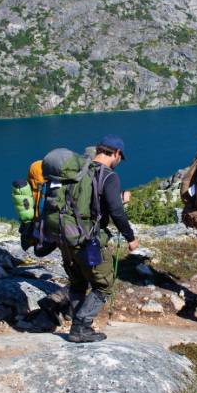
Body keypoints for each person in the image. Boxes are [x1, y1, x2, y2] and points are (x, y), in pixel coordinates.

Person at [62, 134, 139, 343]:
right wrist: (130, 238)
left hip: (66, 236)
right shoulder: (109, 176)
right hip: (88, 240)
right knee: (104, 284)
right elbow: (116, 211)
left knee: (78, 282)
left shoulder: (77, 170)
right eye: (120, 157)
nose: (119, 161)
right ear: (116, 153)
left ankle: (75, 319)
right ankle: (80, 327)